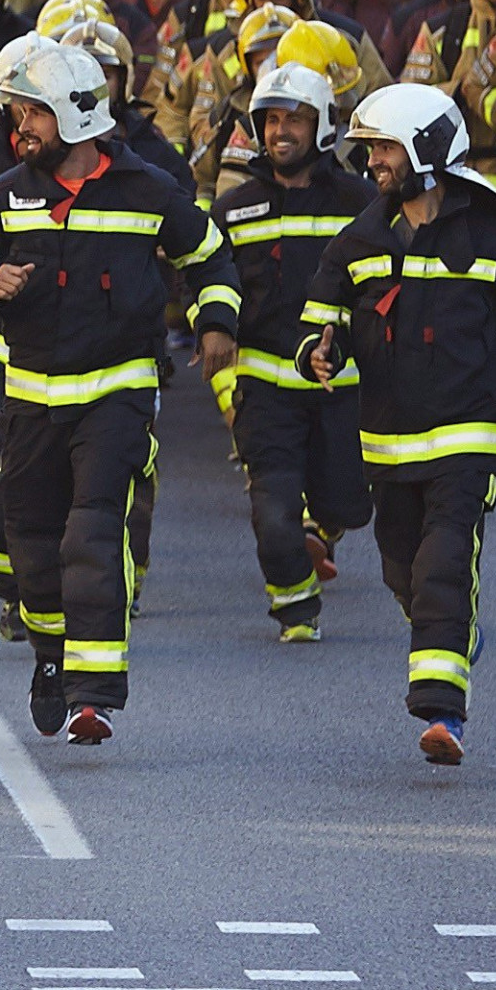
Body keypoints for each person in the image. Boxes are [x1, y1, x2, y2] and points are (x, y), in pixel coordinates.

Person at [0, 33, 239, 743]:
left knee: (95, 534)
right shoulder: (2, 197)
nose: (19, 127)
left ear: (70, 116)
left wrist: (216, 321)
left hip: (117, 397)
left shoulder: (148, 191)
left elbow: (211, 258)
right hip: (32, 399)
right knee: (31, 547)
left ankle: (94, 697)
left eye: (30, 114)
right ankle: (51, 655)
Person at [291, 85, 496, 762]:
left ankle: (443, 714)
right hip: (386, 442)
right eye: (370, 151)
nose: (374, 165)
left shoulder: (492, 233)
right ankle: (446, 630)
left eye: (386, 148)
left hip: (467, 438)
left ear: (426, 147)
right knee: (406, 572)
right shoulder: (360, 236)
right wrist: (317, 351)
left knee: (445, 560)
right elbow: (319, 312)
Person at [205, 57, 373, 641]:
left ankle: (325, 528)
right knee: (273, 515)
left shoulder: (363, 204)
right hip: (267, 393)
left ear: (324, 125)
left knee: (348, 502)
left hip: (343, 391)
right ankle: (295, 603)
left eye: (296, 120)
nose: (281, 131)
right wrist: (215, 326)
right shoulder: (232, 209)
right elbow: (208, 279)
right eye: (270, 118)